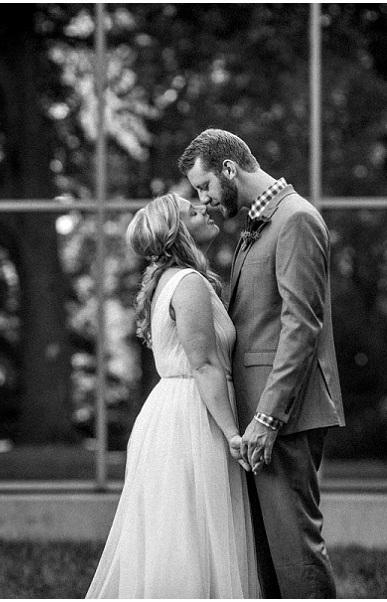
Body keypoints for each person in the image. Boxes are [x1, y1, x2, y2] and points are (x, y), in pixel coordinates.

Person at [179, 128, 346, 598]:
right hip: (257, 416)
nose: (205, 200)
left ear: (230, 169)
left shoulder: (296, 219)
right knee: (268, 562)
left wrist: (268, 417)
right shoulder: (257, 223)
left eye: (205, 186)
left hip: (284, 417)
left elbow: (301, 327)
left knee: (295, 556)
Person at [86, 193, 261, 599]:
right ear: (178, 232)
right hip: (194, 416)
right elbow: (205, 364)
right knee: (192, 532)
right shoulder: (188, 283)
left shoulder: (169, 280)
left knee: (183, 531)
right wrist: (233, 434)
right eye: (191, 211)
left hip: (173, 411)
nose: (204, 209)